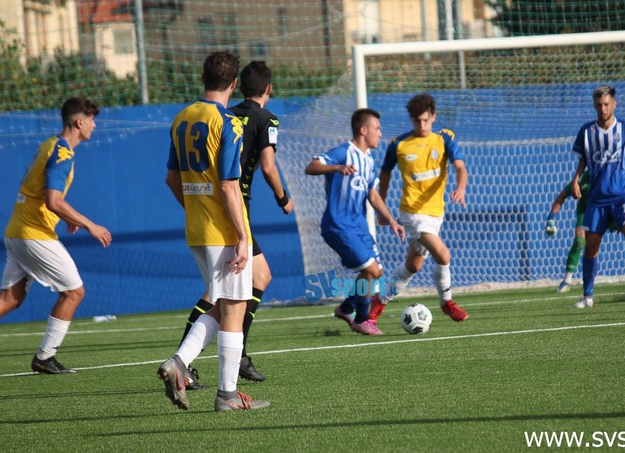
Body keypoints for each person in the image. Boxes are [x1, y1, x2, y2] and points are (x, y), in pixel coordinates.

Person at [158, 51, 269, 412]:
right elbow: (228, 185)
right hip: (222, 232)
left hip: (197, 229)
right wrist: (242, 237)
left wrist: (195, 208)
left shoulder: (181, 118)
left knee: (222, 307)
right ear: (234, 83)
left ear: (202, 78)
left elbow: (172, 178)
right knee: (235, 309)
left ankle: (179, 362)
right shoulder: (229, 123)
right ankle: (227, 395)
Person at [177, 61, 293, 388]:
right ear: (268, 89)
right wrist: (284, 198)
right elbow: (266, 167)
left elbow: (172, 178)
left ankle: (212, 356)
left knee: (252, 280)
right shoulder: (256, 120)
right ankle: (192, 363)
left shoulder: (192, 116)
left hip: (206, 211)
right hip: (233, 208)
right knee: (226, 296)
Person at [0, 97, 112, 374]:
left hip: (18, 231)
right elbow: (53, 200)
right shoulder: (63, 152)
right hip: (33, 234)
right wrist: (89, 225)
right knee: (74, 292)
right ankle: (44, 357)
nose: (94, 125)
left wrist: (65, 217)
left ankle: (45, 357)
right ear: (79, 122)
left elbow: (41, 194)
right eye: (92, 120)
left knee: (10, 300)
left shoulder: (50, 144)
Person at [305, 108, 405, 336]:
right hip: (338, 225)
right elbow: (311, 166)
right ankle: (361, 320)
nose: (380, 133)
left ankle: (346, 307)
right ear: (363, 130)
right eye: (377, 129)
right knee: (371, 270)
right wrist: (337, 167)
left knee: (376, 272)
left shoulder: (369, 161)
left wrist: (390, 220)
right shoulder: (343, 152)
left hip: (360, 227)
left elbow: (373, 194)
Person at [370, 93, 468, 323]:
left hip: (436, 214)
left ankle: (378, 303)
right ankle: (447, 303)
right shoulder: (399, 144)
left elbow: (460, 167)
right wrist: (381, 207)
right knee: (443, 254)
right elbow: (385, 173)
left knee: (413, 265)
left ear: (433, 117)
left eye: (425, 120)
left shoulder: (444, 139)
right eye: (417, 121)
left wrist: (460, 187)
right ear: (411, 120)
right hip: (412, 214)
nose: (421, 125)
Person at [570, 85, 625, 308]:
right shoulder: (587, 132)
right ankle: (587, 296)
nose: (603, 108)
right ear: (594, 105)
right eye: (599, 105)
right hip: (597, 199)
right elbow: (583, 161)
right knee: (591, 245)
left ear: (614, 104)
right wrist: (576, 180)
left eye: (606, 104)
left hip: (623, 195)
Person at [546, 171, 625, 293]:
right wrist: (551, 218)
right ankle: (567, 280)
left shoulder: (609, 177)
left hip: (610, 210)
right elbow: (562, 195)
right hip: (586, 212)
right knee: (580, 240)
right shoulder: (582, 180)